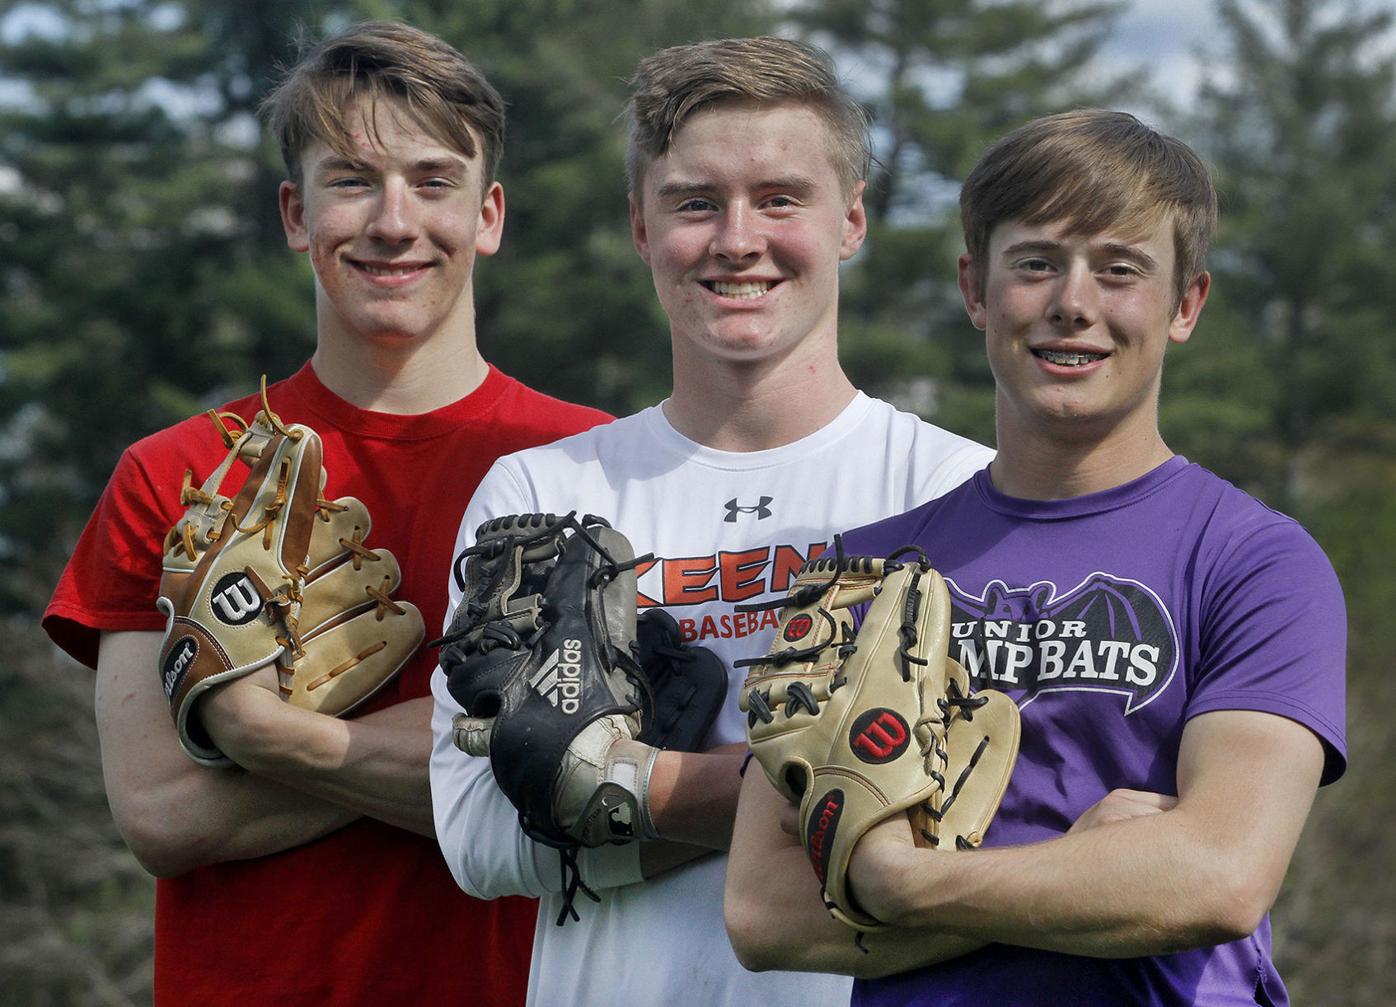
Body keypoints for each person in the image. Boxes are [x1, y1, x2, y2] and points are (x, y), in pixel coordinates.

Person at [42, 21, 610, 1007]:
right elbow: (165, 815)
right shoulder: (176, 473)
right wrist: (491, 753)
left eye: (433, 181)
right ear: (296, 215)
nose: (394, 221)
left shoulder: (599, 468)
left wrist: (264, 735)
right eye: (352, 180)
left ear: (490, 214)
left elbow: (599, 787)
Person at [724, 109, 1347, 1006]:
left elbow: (1216, 877)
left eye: (1119, 268)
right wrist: (1091, 872)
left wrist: (895, 880)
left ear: (1185, 305)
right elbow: (762, 911)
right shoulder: (861, 574)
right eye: (1038, 262)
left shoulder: (1255, 562)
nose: (1073, 302)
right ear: (976, 289)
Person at [428, 36, 993, 1007]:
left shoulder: (955, 487)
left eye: (780, 198)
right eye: (695, 202)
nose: (737, 239)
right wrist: (815, 791)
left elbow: (960, 821)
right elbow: (477, 839)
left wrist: (607, 786)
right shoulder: (539, 496)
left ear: (849, 219)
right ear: (643, 228)